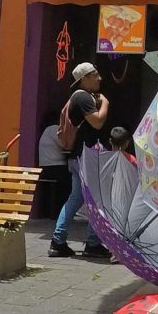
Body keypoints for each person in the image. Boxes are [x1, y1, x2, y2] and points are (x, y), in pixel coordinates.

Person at [49, 62, 112, 258]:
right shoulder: (83, 97)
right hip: (85, 156)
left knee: (77, 198)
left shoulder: (81, 97)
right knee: (96, 200)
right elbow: (97, 121)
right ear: (84, 78)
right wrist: (106, 103)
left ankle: (58, 242)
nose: (99, 78)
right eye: (95, 74)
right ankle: (92, 243)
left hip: (78, 156)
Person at [38, 113, 71, 219]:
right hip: (55, 166)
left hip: (45, 166)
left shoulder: (46, 131)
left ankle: (49, 212)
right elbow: (65, 144)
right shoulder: (54, 129)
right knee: (70, 182)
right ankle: (60, 212)